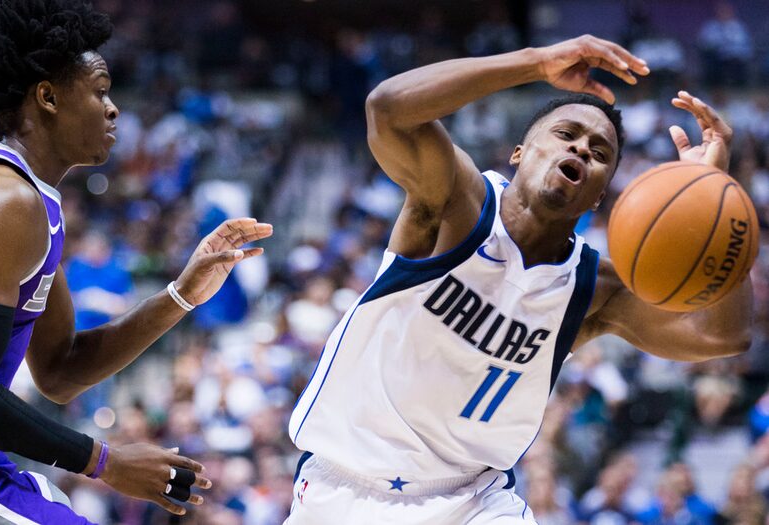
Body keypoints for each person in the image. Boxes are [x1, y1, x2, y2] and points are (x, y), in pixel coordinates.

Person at [286, 34, 751, 524]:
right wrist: (534, 63)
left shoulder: (592, 289)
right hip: (344, 487)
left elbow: (722, 336)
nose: (581, 147)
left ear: (598, 197)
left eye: (600, 151)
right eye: (566, 133)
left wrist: (716, 200)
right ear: (519, 152)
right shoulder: (458, 204)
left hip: (472, 501)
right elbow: (387, 109)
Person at [0, 0, 272, 523]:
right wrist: (105, 462)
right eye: (99, 91)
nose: (114, 108)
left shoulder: (31, 199)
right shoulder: (2, 201)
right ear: (47, 96)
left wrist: (182, 295)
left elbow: (61, 370)